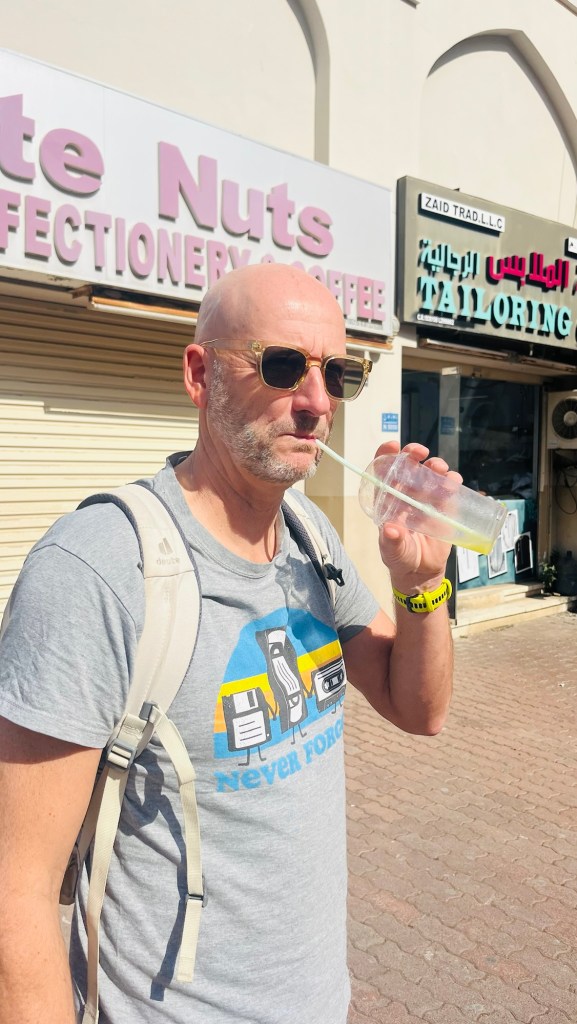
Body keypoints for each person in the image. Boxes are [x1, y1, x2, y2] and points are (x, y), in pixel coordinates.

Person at [0, 263, 455, 1024]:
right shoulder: (96, 570)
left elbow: (419, 709)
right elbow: (17, 895)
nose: (316, 402)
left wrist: (423, 584)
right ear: (199, 374)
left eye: (336, 374)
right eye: (282, 366)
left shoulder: (309, 536)